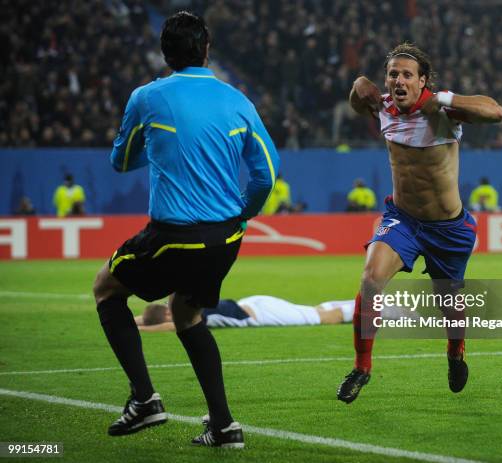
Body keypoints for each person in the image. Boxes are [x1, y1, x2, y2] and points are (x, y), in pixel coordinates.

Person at [92, 12, 279, 447]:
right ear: (207, 50)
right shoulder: (238, 101)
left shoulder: (147, 97)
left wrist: (156, 148)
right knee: (187, 314)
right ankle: (224, 424)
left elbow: (119, 163)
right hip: (226, 237)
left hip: (174, 236)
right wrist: (243, 214)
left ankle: (144, 400)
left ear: (164, 53)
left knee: (106, 289)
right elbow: (266, 175)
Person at [337, 42, 502, 403]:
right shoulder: (383, 107)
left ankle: (455, 350)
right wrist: (359, 83)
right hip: (403, 220)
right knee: (370, 280)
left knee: (449, 301)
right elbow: (358, 99)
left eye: (406, 74)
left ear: (422, 81)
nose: (398, 80)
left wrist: (443, 98)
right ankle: (362, 367)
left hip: (449, 228)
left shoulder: (442, 113)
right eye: (392, 74)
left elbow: (495, 112)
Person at [135, 296, 355, 331]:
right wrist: (132, 323)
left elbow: (174, 326)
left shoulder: (182, 315)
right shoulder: (173, 303)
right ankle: (369, 298)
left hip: (260, 313)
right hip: (253, 303)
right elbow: (152, 315)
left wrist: (141, 329)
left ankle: (385, 308)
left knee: (325, 318)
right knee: (316, 311)